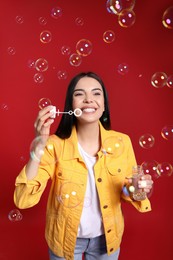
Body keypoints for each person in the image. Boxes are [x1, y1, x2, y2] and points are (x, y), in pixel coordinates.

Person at [14, 71, 153, 260]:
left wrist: (136, 189)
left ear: (104, 105)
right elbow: (23, 199)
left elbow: (128, 192)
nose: (89, 99)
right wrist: (40, 143)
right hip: (64, 239)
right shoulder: (54, 144)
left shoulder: (123, 141)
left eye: (96, 93)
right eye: (79, 94)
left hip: (107, 238)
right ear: (71, 105)